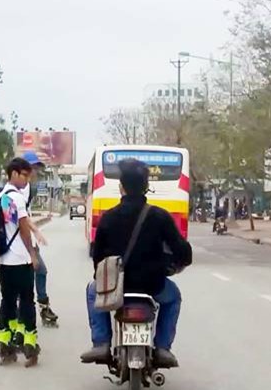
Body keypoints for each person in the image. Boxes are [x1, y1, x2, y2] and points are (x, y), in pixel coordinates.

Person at [82, 158, 192, 368]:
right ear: (146, 187)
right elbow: (182, 251)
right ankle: (162, 348)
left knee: (91, 291)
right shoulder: (160, 216)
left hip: (115, 288)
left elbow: (97, 258)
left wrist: (103, 277)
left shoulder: (108, 218)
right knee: (173, 297)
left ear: (121, 187)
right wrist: (176, 263)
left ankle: (102, 342)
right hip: (153, 286)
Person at [0, 157, 40, 366]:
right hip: (20, 259)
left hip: (2, 260)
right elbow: (23, 228)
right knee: (27, 300)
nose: (26, 179)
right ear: (14, 173)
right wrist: (32, 253)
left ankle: (5, 342)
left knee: (8, 300)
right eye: (24, 175)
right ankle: (30, 344)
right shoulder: (17, 198)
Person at [20, 150, 58, 326]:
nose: (35, 172)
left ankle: (41, 306)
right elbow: (21, 218)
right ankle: (32, 310)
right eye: (33, 168)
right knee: (37, 270)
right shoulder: (19, 189)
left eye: (36, 168)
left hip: (26, 237)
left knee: (38, 271)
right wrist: (35, 231)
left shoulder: (29, 188)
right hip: (20, 239)